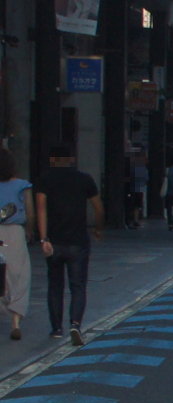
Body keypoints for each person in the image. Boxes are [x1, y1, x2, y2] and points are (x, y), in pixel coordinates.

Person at [35, 144, 104, 346]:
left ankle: (56, 328)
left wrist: (43, 238)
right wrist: (98, 228)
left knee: (55, 285)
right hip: (78, 242)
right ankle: (75, 323)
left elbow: (41, 208)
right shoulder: (84, 179)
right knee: (78, 285)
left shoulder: (44, 180)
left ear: (51, 160)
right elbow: (98, 207)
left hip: (54, 241)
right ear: (71, 159)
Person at [0, 148, 34, 341]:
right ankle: (15, 322)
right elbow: (30, 213)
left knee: (0, 275)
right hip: (15, 233)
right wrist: (30, 230)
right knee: (20, 275)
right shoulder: (23, 185)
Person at [126, 153, 148, 228]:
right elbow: (146, 179)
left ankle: (129, 219)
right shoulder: (143, 169)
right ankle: (135, 220)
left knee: (130, 205)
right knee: (137, 206)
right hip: (140, 189)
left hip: (131, 189)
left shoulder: (132, 168)